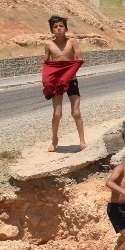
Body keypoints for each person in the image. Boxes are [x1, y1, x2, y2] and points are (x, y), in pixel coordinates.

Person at [42, 15, 86, 152]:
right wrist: (46, 80)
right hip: (56, 83)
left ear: (66, 28)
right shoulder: (49, 44)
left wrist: (68, 72)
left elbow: (79, 59)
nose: (58, 28)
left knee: (76, 112)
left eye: (61, 26)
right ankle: (54, 140)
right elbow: (46, 63)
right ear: (51, 30)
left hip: (72, 81)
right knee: (57, 114)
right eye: (55, 27)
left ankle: (82, 141)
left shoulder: (72, 42)